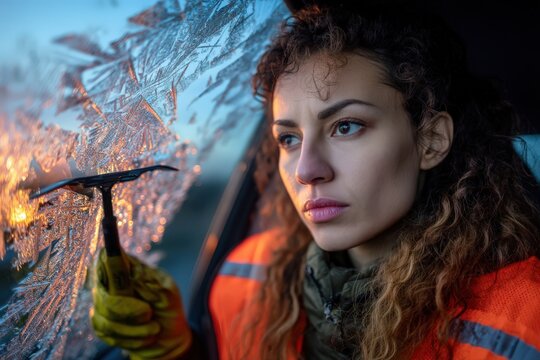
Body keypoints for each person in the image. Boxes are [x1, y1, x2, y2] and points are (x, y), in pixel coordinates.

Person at [90, 4, 540, 360]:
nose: (307, 170)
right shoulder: (246, 276)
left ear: (430, 139)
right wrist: (182, 351)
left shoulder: (520, 324)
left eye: (346, 126)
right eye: (288, 138)